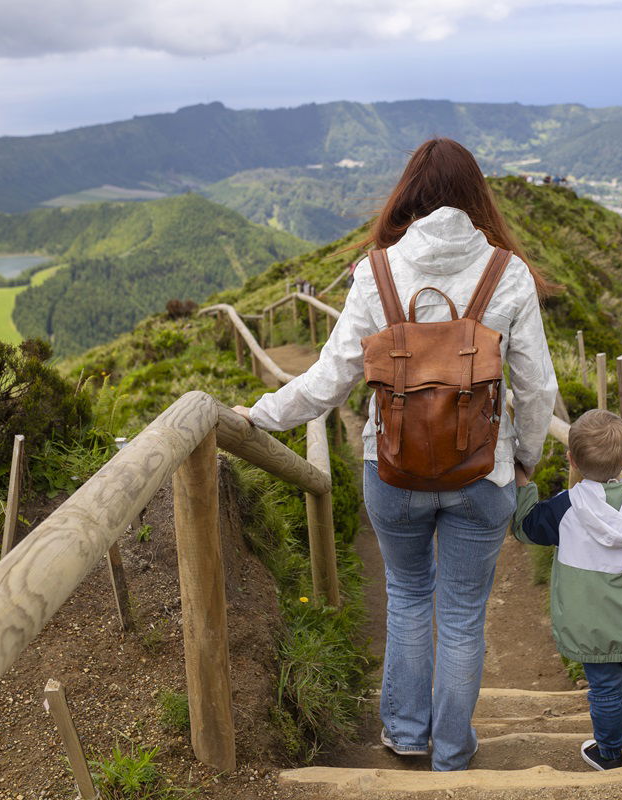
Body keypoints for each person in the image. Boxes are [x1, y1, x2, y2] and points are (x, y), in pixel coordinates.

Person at [232, 138, 558, 770]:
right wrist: (525, 460)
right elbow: (537, 386)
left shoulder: (377, 272)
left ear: (409, 192)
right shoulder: (507, 272)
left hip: (394, 468)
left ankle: (407, 735)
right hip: (482, 471)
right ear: (475, 196)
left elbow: (329, 381)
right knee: (463, 616)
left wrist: (260, 416)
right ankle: (454, 753)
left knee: (409, 596)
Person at [512, 409, 622, 771]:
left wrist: (523, 483)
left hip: (591, 625)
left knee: (604, 687)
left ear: (571, 459)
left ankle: (609, 753)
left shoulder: (565, 508)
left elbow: (525, 527)